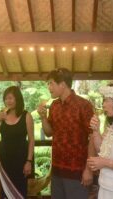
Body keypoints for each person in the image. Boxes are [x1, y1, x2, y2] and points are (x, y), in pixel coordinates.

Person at [37, 68, 95, 199]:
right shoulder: (54, 106)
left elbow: (93, 137)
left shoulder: (83, 105)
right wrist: (43, 117)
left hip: (77, 172)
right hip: (56, 170)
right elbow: (48, 133)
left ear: (62, 84)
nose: (49, 87)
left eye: (51, 83)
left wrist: (89, 169)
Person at [0, 86, 35, 199]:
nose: (7, 101)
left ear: (18, 99)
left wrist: (29, 161)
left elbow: (31, 140)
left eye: (10, 98)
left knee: (20, 192)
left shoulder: (26, 116)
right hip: (4, 161)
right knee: (5, 193)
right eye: (6, 98)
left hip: (21, 161)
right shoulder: (1, 115)